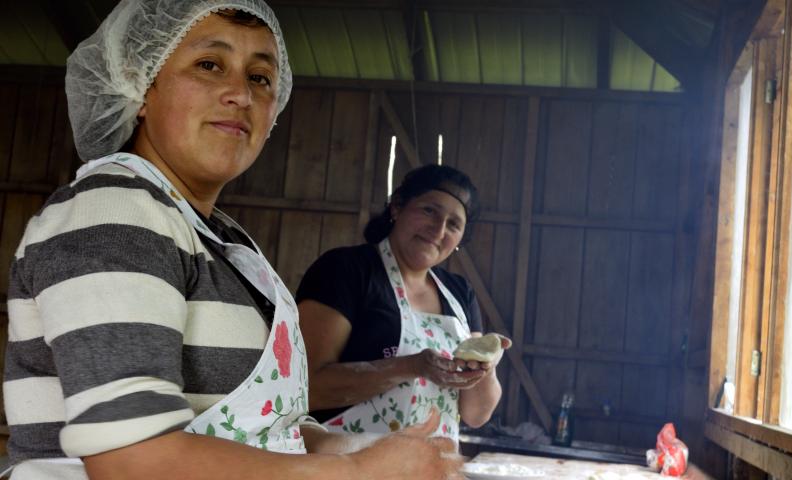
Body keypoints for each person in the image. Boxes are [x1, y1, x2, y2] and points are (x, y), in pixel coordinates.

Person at [2, 1, 462, 479]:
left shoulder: (222, 242)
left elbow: (267, 427)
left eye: (260, 77)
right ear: (142, 86)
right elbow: (131, 461)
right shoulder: (113, 211)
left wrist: (362, 448)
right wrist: (357, 473)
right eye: (209, 65)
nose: (240, 94)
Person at [297, 164, 510, 442]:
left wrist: (487, 365)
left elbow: (476, 415)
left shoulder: (459, 293)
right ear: (397, 207)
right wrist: (411, 367)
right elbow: (306, 388)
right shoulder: (345, 270)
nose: (438, 229)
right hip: (345, 466)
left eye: (454, 224)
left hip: (430, 469)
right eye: (429, 211)